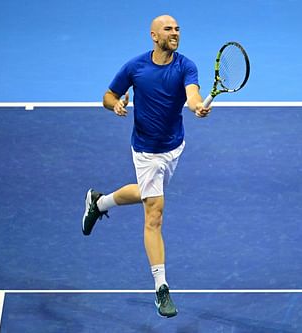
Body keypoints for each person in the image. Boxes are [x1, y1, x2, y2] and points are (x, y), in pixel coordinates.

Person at [81, 14, 211, 318]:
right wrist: (114, 104)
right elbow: (108, 94)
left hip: (174, 147)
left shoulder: (186, 66)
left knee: (145, 192)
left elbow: (192, 97)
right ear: (154, 36)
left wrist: (198, 107)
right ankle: (161, 288)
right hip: (145, 150)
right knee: (154, 211)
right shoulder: (135, 67)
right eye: (169, 29)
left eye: (178, 28)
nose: (175, 33)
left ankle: (98, 202)